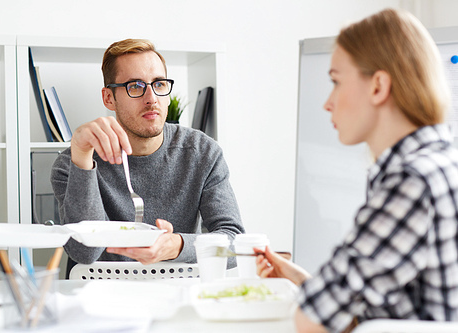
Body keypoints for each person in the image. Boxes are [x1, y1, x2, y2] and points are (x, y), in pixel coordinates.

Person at [257, 8, 458, 333]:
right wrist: (300, 279)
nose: (327, 102)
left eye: (336, 81)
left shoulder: (410, 182)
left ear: (378, 86)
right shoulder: (441, 163)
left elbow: (313, 322)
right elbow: (384, 309)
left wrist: (314, 299)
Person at [51, 38, 244, 276]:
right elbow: (84, 253)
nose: (151, 98)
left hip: (177, 290)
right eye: (135, 86)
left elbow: (234, 244)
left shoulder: (202, 153)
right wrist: (82, 158)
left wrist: (178, 245)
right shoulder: (72, 162)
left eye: (159, 84)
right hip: (99, 293)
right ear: (109, 98)